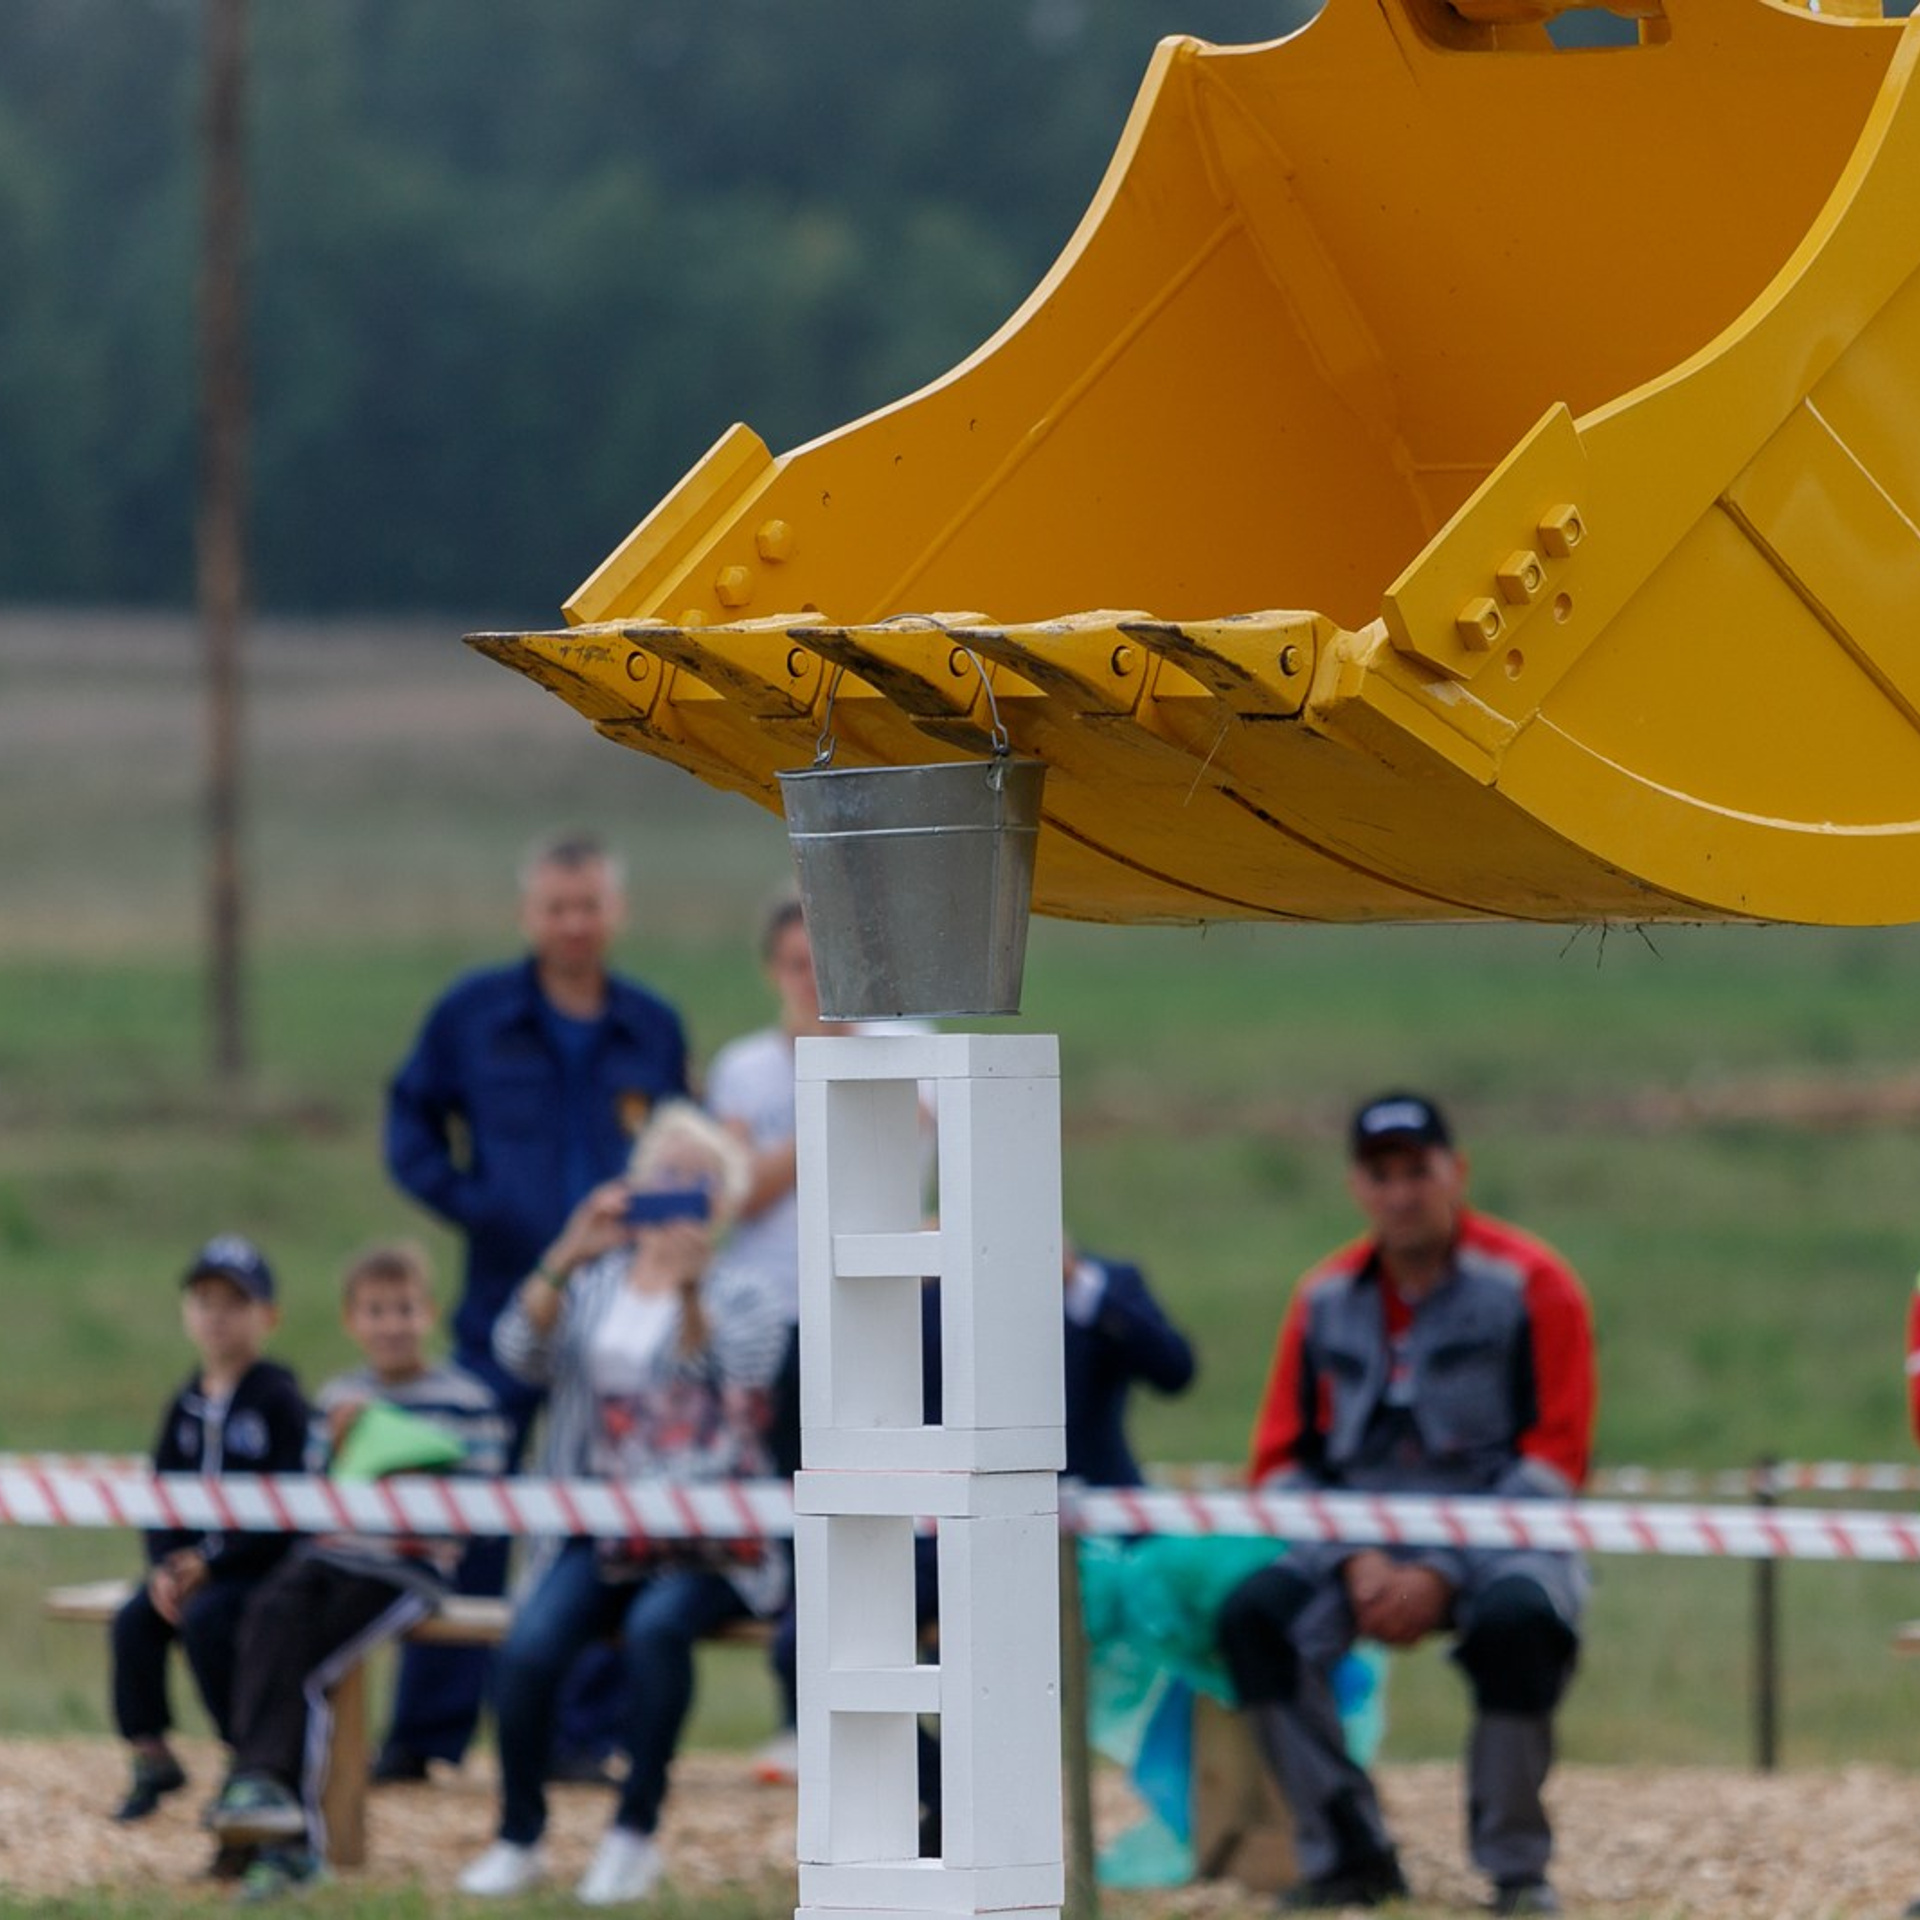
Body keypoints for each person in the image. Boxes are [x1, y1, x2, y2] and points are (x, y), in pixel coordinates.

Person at [1215, 1093, 1596, 1916]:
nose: (1400, 1194)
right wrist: (1353, 1559)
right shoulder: (1321, 1298)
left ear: (1455, 1173)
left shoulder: (1535, 1285)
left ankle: (1516, 1866)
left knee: (1522, 1625)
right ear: (1356, 1185)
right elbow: (1279, 1463)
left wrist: (1442, 1568)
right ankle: (1348, 1853)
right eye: (1380, 1175)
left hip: (1503, 1533)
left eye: (1416, 1171)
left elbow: (1558, 1456)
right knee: (1253, 1620)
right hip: (1353, 1543)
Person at [381, 829, 690, 1781]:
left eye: (588, 907)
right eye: (557, 908)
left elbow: (678, 1153)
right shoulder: (472, 1016)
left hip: (618, 1322)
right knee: (465, 1510)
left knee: (602, 1521)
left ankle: (580, 1734)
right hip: (502, 1308)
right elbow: (410, 1125)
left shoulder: (652, 1027)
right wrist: (480, 1208)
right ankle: (429, 1736)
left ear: (615, 914)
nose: (573, 925)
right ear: (530, 915)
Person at [457, 1101, 786, 1905]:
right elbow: (518, 1354)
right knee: (530, 1647)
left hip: (708, 1535)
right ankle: (519, 1832)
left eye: (697, 1181)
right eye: (664, 1175)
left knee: (655, 1632)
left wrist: (692, 1290)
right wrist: (567, 1253)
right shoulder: (596, 1283)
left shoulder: (750, 1293)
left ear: (723, 1201)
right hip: (598, 1525)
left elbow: (743, 1381)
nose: (676, 1192)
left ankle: (633, 1833)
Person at [705, 887, 934, 1784]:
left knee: (881, 1510)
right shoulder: (744, 1071)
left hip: (882, 1314)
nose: (815, 983)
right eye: (801, 966)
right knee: (795, 1515)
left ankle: (887, 1704)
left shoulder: (913, 1052)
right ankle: (798, 1709)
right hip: (777, 1316)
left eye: (831, 964)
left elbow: (931, 1162)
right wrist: (832, 1094)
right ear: (774, 971)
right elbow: (736, 1195)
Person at [205, 1241, 507, 1899]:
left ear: (428, 1314)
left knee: (309, 1664)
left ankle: (289, 1837)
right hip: (330, 1553)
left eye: (403, 1309)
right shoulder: (341, 1394)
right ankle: (255, 1788)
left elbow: (487, 1505)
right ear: (352, 1321)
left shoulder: (465, 1399)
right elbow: (314, 1490)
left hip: (406, 1568)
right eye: (376, 1311)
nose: (391, 1324)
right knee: (265, 1614)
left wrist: (421, 1469)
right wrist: (343, 1445)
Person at [108, 1237, 307, 1834]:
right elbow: (162, 1495)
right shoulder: (186, 1403)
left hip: (256, 1567)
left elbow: (289, 1502)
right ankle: (151, 1754)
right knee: (135, 1621)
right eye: (204, 1301)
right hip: (192, 1567)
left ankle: (246, 1754)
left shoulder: (278, 1398)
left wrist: (213, 1561)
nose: (217, 1315)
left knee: (211, 1621)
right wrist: (167, 1565)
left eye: (234, 1302)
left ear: (267, 1316)